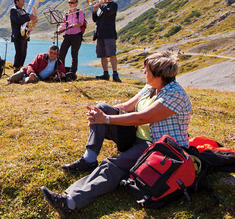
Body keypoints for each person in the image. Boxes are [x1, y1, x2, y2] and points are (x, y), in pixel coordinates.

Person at [40, 51, 192, 218]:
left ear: (159, 74)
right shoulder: (152, 87)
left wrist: (105, 119)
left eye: (146, 70)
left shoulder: (174, 94)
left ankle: (69, 202)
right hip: (137, 138)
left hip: (157, 148)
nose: (143, 73)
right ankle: (89, 159)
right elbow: (127, 107)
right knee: (102, 107)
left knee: (112, 165)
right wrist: (99, 113)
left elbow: (143, 117)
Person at [92, 0, 121, 82]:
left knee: (112, 54)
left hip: (109, 34)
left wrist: (100, 5)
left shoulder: (113, 5)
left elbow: (108, 13)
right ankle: (105, 74)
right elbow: (95, 19)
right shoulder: (102, 7)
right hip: (100, 34)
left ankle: (115, 74)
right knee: (102, 55)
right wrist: (94, 10)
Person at [58, 0, 85, 80]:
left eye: (72, 2)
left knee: (74, 54)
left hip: (76, 35)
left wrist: (74, 25)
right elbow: (63, 24)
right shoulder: (66, 13)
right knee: (61, 52)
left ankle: (72, 73)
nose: (70, 4)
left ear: (76, 3)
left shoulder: (79, 12)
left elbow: (81, 23)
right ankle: (61, 71)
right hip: (67, 35)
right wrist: (59, 29)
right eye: (69, 2)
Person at [10, 0, 38, 73]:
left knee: (23, 53)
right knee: (19, 53)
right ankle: (16, 69)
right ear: (17, 1)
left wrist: (33, 20)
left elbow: (27, 20)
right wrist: (29, 17)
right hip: (18, 35)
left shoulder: (23, 10)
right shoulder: (13, 10)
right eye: (22, 0)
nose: (24, 1)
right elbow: (17, 20)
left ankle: (20, 69)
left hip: (24, 35)